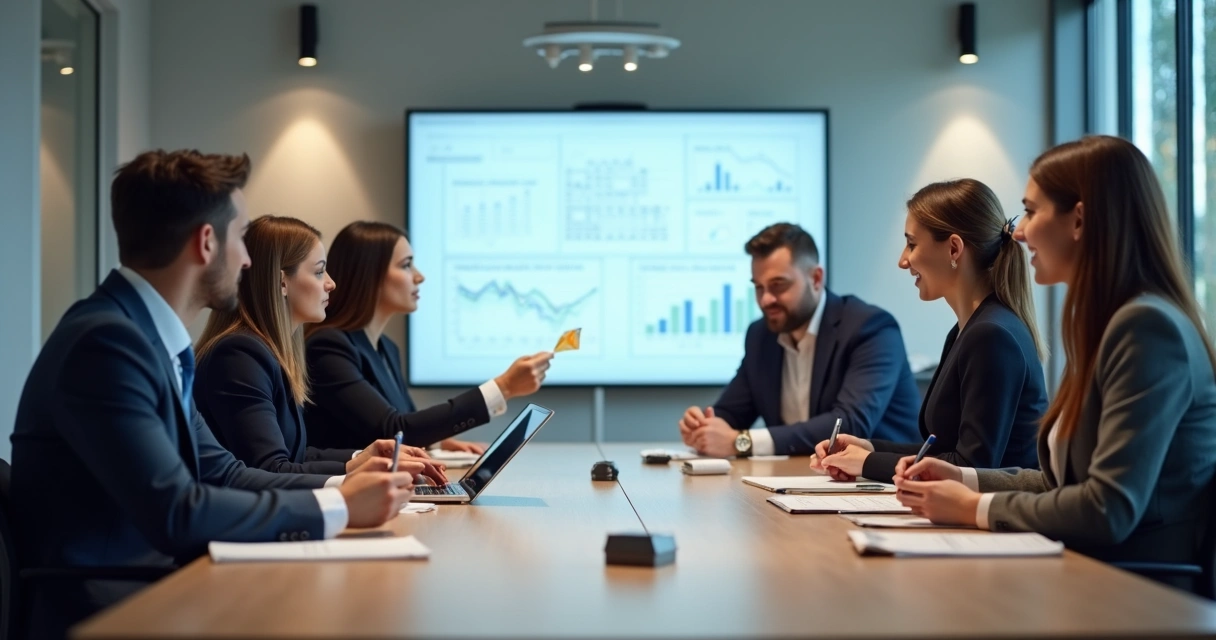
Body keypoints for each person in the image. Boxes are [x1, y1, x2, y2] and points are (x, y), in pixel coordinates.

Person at [9, 150, 414, 639]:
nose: (247, 260)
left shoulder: (148, 339)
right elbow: (177, 512)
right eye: (241, 238)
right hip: (112, 607)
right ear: (206, 243)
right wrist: (340, 507)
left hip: (162, 586)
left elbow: (222, 472)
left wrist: (342, 489)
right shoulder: (107, 344)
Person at [894, 136, 1216, 576]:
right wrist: (965, 480)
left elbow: (1107, 508)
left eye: (1030, 210)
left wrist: (975, 508)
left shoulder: (1146, 328)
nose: (1018, 231)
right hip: (1093, 571)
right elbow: (1063, 483)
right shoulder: (1112, 322)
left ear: (1079, 220)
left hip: (1138, 590)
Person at [812, 179, 1046, 482]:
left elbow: (970, 466)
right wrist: (868, 448)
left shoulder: (990, 335)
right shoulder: (969, 329)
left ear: (953, 248)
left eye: (912, 244)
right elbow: (944, 451)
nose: (902, 260)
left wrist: (869, 463)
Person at [193, 215, 447, 482]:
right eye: (318, 271)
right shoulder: (239, 355)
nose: (330, 283)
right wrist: (354, 472)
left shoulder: (267, 352)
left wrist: (363, 456)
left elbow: (296, 455)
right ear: (282, 282)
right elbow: (269, 468)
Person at [304, 221, 552, 451]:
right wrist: (504, 386)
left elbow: (405, 421)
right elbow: (394, 430)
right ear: (370, 275)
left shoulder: (387, 348)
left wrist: (440, 444)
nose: (419, 276)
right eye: (406, 265)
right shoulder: (328, 347)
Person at [679, 222, 921, 457]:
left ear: (816, 278)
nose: (766, 300)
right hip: (801, 479)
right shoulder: (760, 335)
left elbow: (849, 425)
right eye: (759, 287)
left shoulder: (870, 328)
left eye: (778, 285)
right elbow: (732, 412)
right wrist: (704, 426)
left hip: (882, 483)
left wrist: (742, 442)